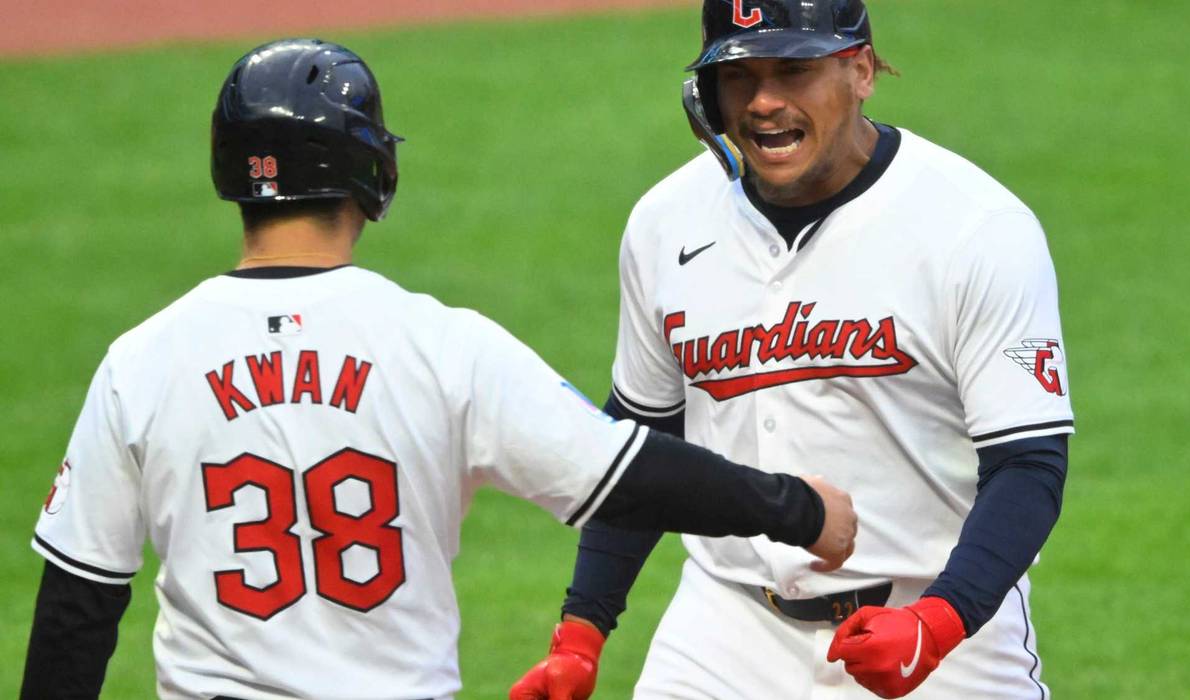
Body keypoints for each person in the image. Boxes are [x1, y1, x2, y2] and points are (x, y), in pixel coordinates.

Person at [20, 38, 861, 700]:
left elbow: (77, 608)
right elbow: (627, 472)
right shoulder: (437, 345)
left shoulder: (141, 361)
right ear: (371, 170)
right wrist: (794, 509)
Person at [511, 1, 1074, 698]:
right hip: (725, 630)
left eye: (794, 70)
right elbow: (643, 439)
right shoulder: (665, 223)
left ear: (860, 70)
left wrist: (940, 619)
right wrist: (582, 629)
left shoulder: (974, 228)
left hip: (936, 621)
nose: (764, 102)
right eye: (738, 75)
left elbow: (1028, 462)